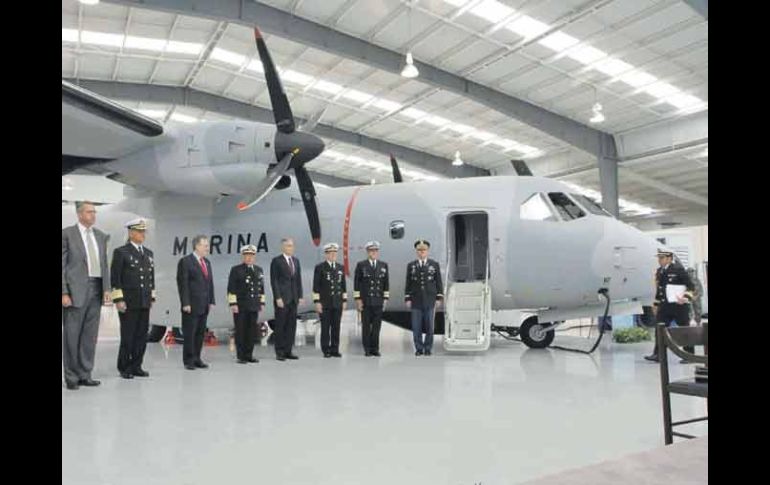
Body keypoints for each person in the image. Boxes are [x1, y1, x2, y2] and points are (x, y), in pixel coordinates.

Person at [62, 201, 111, 390]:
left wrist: (107, 289)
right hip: (75, 291)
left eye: (94, 212)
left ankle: (85, 374)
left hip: (96, 289)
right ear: (79, 214)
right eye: (89, 212)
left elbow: (104, 265)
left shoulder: (100, 236)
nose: (93, 215)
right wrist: (64, 292)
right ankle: (71, 377)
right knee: (72, 335)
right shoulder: (67, 234)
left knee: (89, 336)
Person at [110, 218, 155, 379]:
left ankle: (137, 366)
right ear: (131, 233)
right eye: (139, 231)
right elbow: (115, 278)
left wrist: (151, 297)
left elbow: (150, 278)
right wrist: (118, 300)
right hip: (128, 302)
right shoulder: (121, 252)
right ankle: (124, 367)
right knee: (128, 336)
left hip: (144, 300)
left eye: (144, 231)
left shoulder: (148, 253)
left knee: (141, 336)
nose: (143, 234)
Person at [645, 249, 696, 363]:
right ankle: (658, 354)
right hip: (665, 306)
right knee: (659, 329)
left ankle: (689, 355)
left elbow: (691, 286)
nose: (659, 260)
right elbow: (660, 290)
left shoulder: (678, 270)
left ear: (669, 258)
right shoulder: (659, 271)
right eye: (659, 258)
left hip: (679, 306)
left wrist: (686, 298)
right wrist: (656, 304)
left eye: (662, 258)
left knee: (684, 330)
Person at [176, 235, 215, 370]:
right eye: (205, 245)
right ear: (197, 246)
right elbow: (183, 284)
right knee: (190, 334)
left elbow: (210, 283)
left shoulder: (207, 262)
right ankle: (189, 360)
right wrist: (185, 303)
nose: (207, 248)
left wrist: (211, 300)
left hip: (204, 305)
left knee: (200, 334)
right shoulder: (186, 262)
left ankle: (197, 358)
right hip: (191, 305)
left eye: (207, 246)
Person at [227, 245, 265, 364]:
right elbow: (231, 288)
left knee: (251, 331)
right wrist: (233, 303)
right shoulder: (236, 270)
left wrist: (262, 302)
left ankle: (249, 355)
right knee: (241, 331)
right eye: (247, 255)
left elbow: (261, 288)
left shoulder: (258, 270)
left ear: (255, 256)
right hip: (241, 305)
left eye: (251, 255)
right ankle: (241, 356)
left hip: (254, 305)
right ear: (243, 256)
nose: (249, 258)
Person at [405, 239, 443, 356]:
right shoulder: (411, 265)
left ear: (427, 251)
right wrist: (407, 298)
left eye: (424, 250)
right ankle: (419, 348)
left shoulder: (434, 265)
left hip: (430, 299)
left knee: (430, 326)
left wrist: (439, 298)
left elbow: (438, 282)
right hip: (416, 300)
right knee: (416, 326)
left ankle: (428, 348)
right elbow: (408, 283)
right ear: (416, 252)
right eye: (419, 250)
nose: (422, 252)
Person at [270, 238, 303, 361]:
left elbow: (298, 280)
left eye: (292, 245)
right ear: (283, 247)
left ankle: (288, 351)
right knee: (280, 326)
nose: (291, 248)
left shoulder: (296, 261)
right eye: (288, 246)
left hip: (293, 299)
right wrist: (277, 297)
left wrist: (300, 296)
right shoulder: (276, 261)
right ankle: (279, 352)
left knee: (291, 326)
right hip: (282, 299)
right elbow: (274, 281)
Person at [354, 241, 389, 357]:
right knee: (366, 327)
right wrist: (358, 299)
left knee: (376, 327)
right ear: (367, 252)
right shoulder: (361, 265)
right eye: (371, 250)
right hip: (366, 301)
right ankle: (367, 349)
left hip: (378, 301)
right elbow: (357, 284)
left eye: (375, 250)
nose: (373, 252)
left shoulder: (383, 265)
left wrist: (385, 298)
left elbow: (386, 283)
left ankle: (375, 349)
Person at [313, 243, 347, 358]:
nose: (333, 255)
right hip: (325, 303)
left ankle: (335, 349)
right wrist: (317, 302)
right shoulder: (320, 268)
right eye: (330, 253)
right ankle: (326, 350)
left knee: (336, 327)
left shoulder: (340, 268)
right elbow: (316, 286)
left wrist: (344, 300)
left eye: (335, 253)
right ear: (326, 254)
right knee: (325, 327)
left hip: (337, 302)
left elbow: (343, 286)